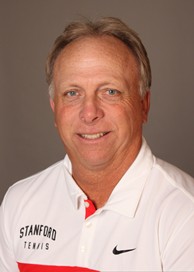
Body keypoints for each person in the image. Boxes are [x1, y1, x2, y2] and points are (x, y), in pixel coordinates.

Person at [0, 17, 194, 272]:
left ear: (144, 105)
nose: (89, 113)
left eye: (110, 91)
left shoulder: (185, 214)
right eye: (72, 93)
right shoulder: (19, 203)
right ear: (54, 109)